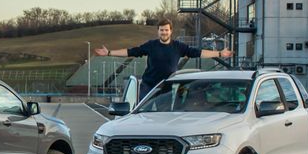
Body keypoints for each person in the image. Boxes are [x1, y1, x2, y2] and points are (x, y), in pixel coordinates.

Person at [95, 19, 233, 99]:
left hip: (169, 86)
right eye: (161, 30)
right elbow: (132, 51)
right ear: (158, 31)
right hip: (149, 86)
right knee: (145, 116)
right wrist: (109, 53)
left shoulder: (178, 46)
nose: (164, 32)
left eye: (166, 30)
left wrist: (219, 54)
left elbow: (198, 53)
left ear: (171, 31)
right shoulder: (151, 45)